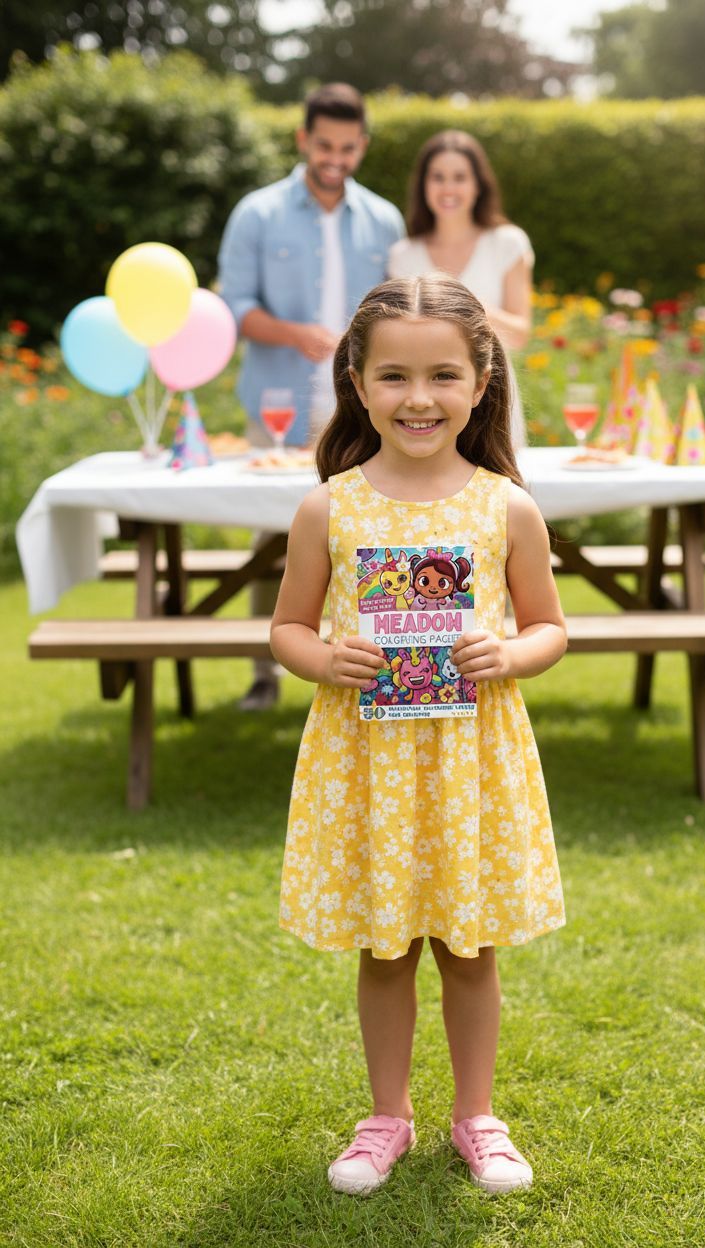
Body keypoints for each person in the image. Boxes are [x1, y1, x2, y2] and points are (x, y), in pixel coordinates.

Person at [271, 275, 567, 1197]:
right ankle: (385, 1116)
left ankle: (478, 1116)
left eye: (443, 375)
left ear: (481, 381)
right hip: (370, 760)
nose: (419, 398)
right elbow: (285, 628)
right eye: (394, 376)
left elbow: (550, 628)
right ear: (357, 382)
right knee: (386, 945)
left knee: (470, 947)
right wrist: (325, 660)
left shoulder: (506, 507)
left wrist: (508, 654)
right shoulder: (330, 506)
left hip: (468, 761)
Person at [218, 82, 404, 710]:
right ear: (303, 140)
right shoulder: (257, 213)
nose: (335, 158)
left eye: (348, 148)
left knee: (375, 531)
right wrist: (293, 332)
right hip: (280, 405)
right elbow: (233, 309)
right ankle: (263, 676)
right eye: (324, 145)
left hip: (363, 405)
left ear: (363, 147)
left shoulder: (384, 220)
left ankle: (379, 669)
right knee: (271, 539)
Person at [388, 130, 534, 448]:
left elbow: (520, 333)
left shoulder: (507, 243)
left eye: (459, 177)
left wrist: (462, 305)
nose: (448, 188)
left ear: (477, 184)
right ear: (424, 185)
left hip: (490, 395)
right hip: (425, 404)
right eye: (438, 177)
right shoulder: (403, 254)